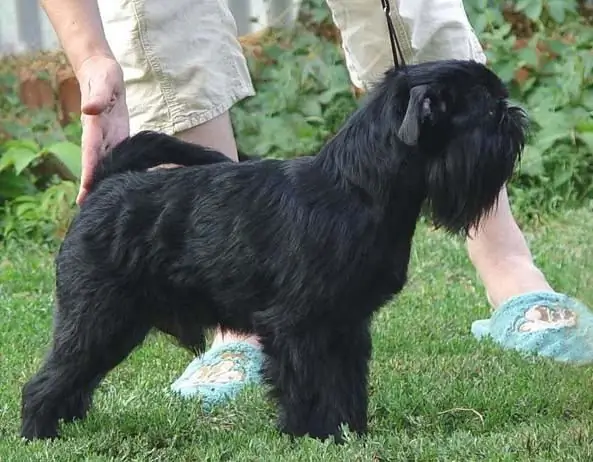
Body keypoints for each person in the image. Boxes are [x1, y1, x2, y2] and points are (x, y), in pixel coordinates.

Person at [40, 0, 593, 409]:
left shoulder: (371, 220)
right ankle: (57, 406)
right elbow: (299, 327)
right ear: (420, 121)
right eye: (487, 117)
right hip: (136, 234)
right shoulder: (330, 217)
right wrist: (91, 57)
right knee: (85, 354)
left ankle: (510, 270)